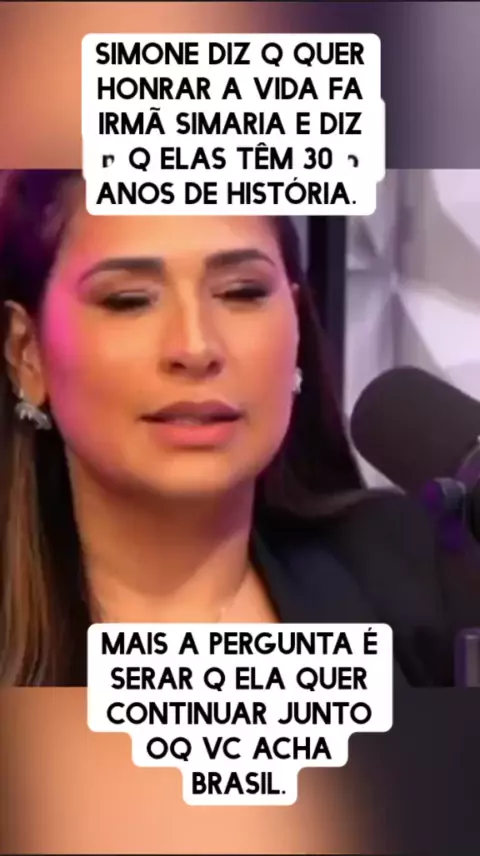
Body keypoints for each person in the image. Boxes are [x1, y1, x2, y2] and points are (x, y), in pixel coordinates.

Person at [0, 170, 479, 688]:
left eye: (241, 292)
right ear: (27, 354)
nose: (196, 348)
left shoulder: (416, 574)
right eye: (129, 300)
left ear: (296, 329)